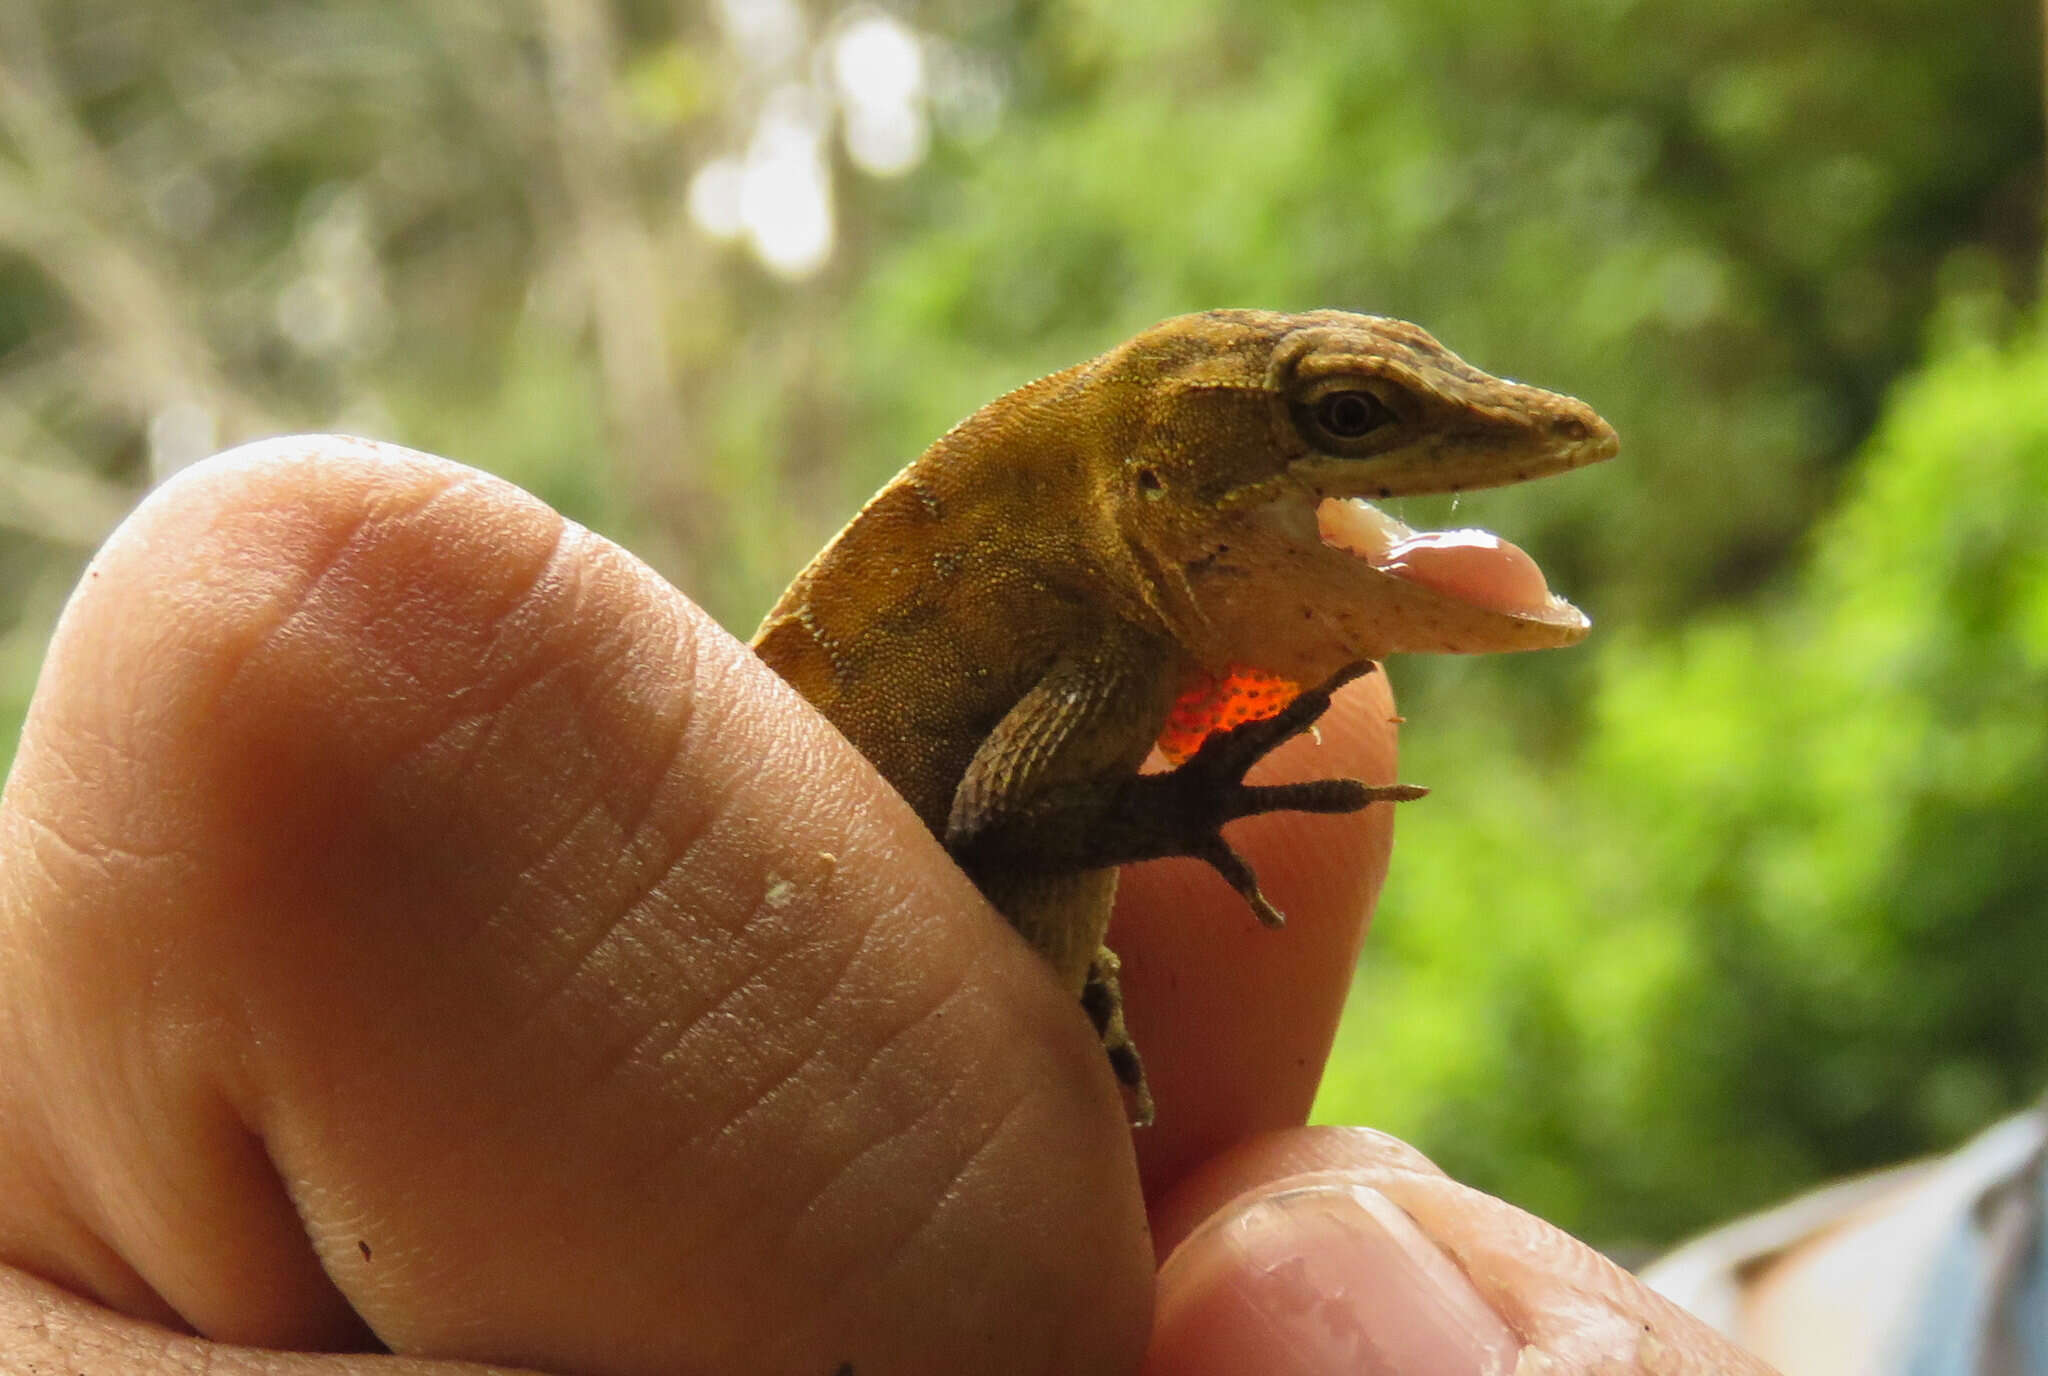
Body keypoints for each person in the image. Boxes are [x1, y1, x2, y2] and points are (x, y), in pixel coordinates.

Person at [0, 436, 1768, 1374]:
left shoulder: (1105, 621)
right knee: (317, 599)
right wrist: (1201, 793)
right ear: (1152, 488)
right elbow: (1011, 803)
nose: (1466, 448)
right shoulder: (1085, 631)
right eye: (1339, 422)